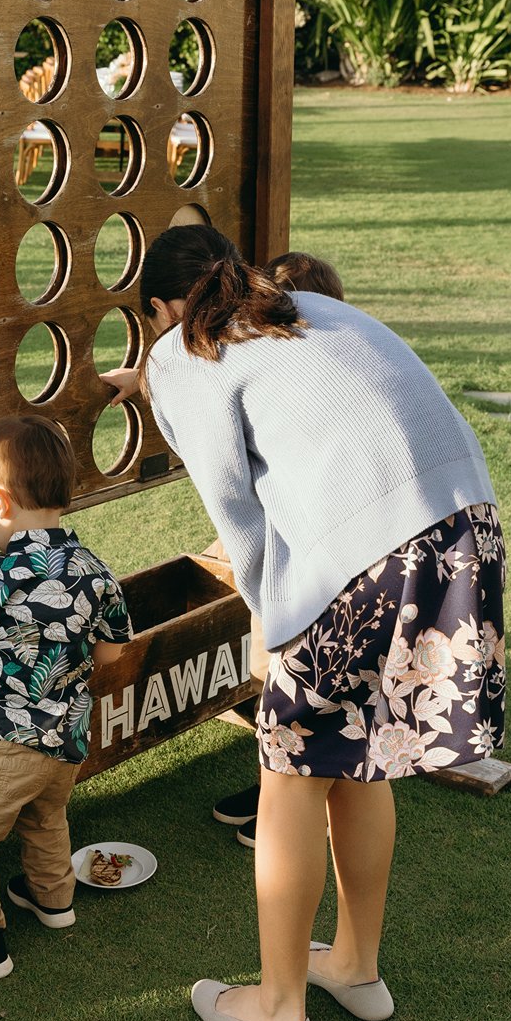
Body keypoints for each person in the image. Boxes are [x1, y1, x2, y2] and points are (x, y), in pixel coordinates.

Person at [108, 224, 505, 1021]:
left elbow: (234, 510)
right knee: (363, 752)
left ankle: (279, 1007)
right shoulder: (308, 305)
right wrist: (156, 379)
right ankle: (355, 966)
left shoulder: (183, 353)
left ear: (157, 310)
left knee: (287, 771)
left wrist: (271, 618)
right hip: (463, 527)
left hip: (366, 556)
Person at [0, 417, 131, 979]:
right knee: (46, 813)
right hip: (69, 737)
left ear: (0, 501)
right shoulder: (93, 568)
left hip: (3, 745)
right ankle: (53, 899)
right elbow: (110, 654)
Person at [211, 251, 348, 844]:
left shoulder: (320, 386)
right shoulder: (315, 373)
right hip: (317, 558)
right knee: (288, 686)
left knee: (295, 683)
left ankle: (293, 803)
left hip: (323, 566)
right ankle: (283, 788)